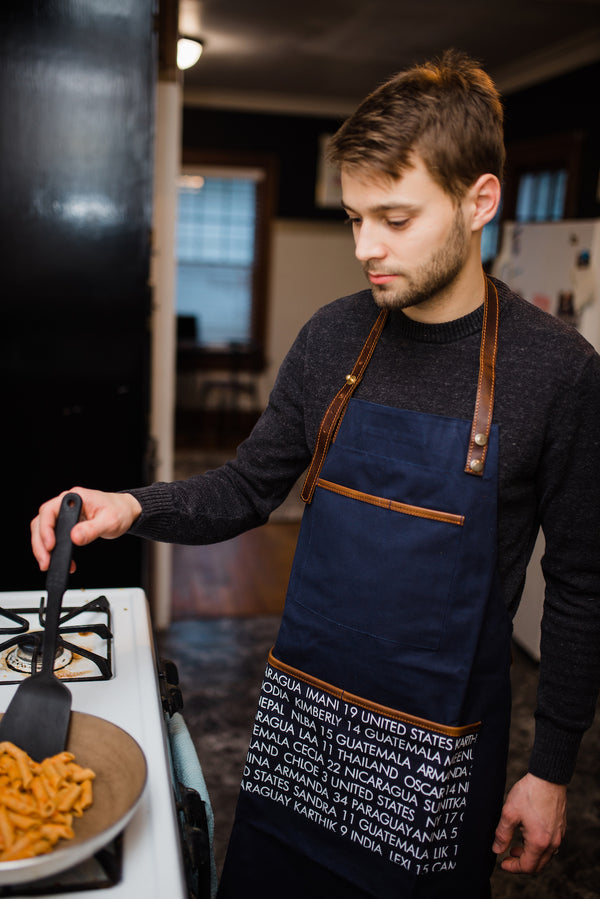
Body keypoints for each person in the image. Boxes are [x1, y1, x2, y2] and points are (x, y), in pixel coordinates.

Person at [31, 50, 600, 898]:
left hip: (433, 749)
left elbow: (584, 584)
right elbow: (248, 487)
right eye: (353, 217)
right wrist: (131, 506)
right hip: (302, 726)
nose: (366, 248)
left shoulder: (557, 371)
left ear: (479, 200)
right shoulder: (335, 336)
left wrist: (550, 766)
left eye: (395, 219)